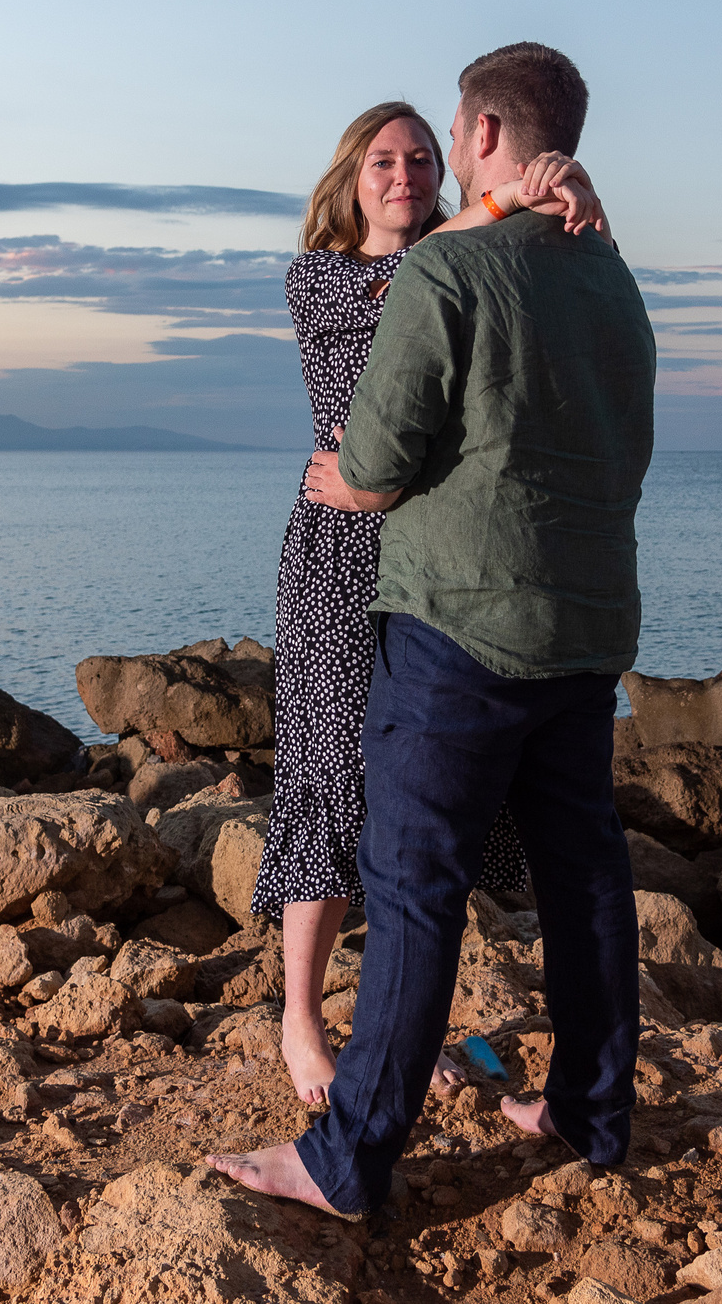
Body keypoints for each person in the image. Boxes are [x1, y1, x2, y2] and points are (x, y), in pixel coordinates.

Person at [211, 42, 657, 1218]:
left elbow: (373, 456)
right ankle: (588, 1106)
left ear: (476, 135)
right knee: (584, 872)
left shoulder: (446, 276)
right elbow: (628, 444)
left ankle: (347, 1156)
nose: (427, 165)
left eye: (443, 141)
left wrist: (359, 482)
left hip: (460, 617)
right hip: (584, 621)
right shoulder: (608, 271)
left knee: (413, 883)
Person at [256, 96, 609, 1107]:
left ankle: (400, 1023)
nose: (404, 174)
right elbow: (405, 286)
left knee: (419, 794)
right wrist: (513, 193)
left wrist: (566, 203)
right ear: (348, 179)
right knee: (326, 772)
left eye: (419, 158)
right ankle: (299, 1022)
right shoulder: (321, 277)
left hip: (438, 551)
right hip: (338, 549)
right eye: (382, 161)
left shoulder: (470, 265)